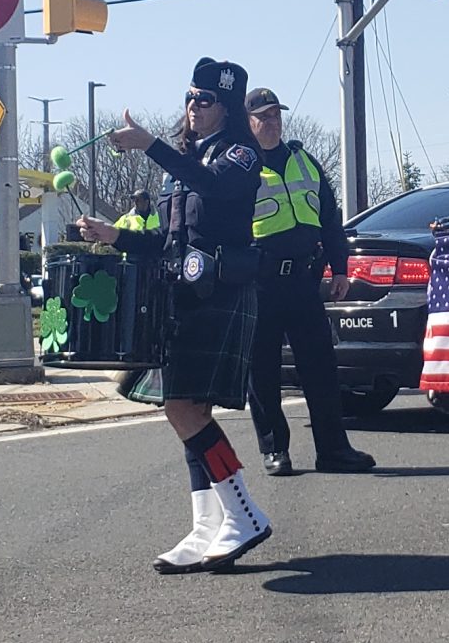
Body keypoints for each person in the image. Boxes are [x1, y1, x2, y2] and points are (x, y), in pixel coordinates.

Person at [94, 60, 271, 573]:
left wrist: (150, 144)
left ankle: (242, 514)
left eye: (206, 100)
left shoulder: (240, 155)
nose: (194, 106)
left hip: (218, 292)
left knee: (183, 409)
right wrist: (116, 237)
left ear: (227, 108)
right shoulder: (185, 162)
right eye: (191, 96)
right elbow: (169, 241)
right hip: (181, 294)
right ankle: (205, 526)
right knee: (187, 411)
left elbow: (213, 188)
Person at [243, 86, 375, 477]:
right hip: (260, 282)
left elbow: (331, 221)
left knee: (320, 368)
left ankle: (334, 450)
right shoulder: (241, 165)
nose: (272, 122)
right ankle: (274, 450)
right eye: (263, 116)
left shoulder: (305, 161)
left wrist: (340, 268)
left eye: (276, 115)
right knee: (263, 371)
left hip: (303, 280)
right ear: (248, 122)